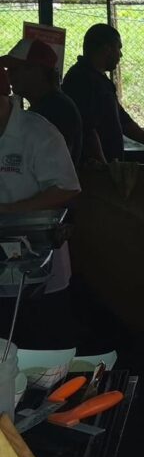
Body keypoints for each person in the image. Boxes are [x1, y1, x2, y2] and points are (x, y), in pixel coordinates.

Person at [0, 67, 81, 349]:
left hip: (40, 270)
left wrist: (9, 212)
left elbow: (66, 188)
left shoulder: (37, 132)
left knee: (44, 357)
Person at [62, 24, 144, 163]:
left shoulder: (98, 79)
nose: (120, 54)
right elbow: (88, 129)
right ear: (107, 49)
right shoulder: (82, 80)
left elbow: (123, 121)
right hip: (94, 170)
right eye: (119, 48)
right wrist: (103, 167)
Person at [1, 39, 83, 165]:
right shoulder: (52, 104)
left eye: (15, 69)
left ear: (38, 71)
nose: (9, 75)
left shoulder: (55, 110)